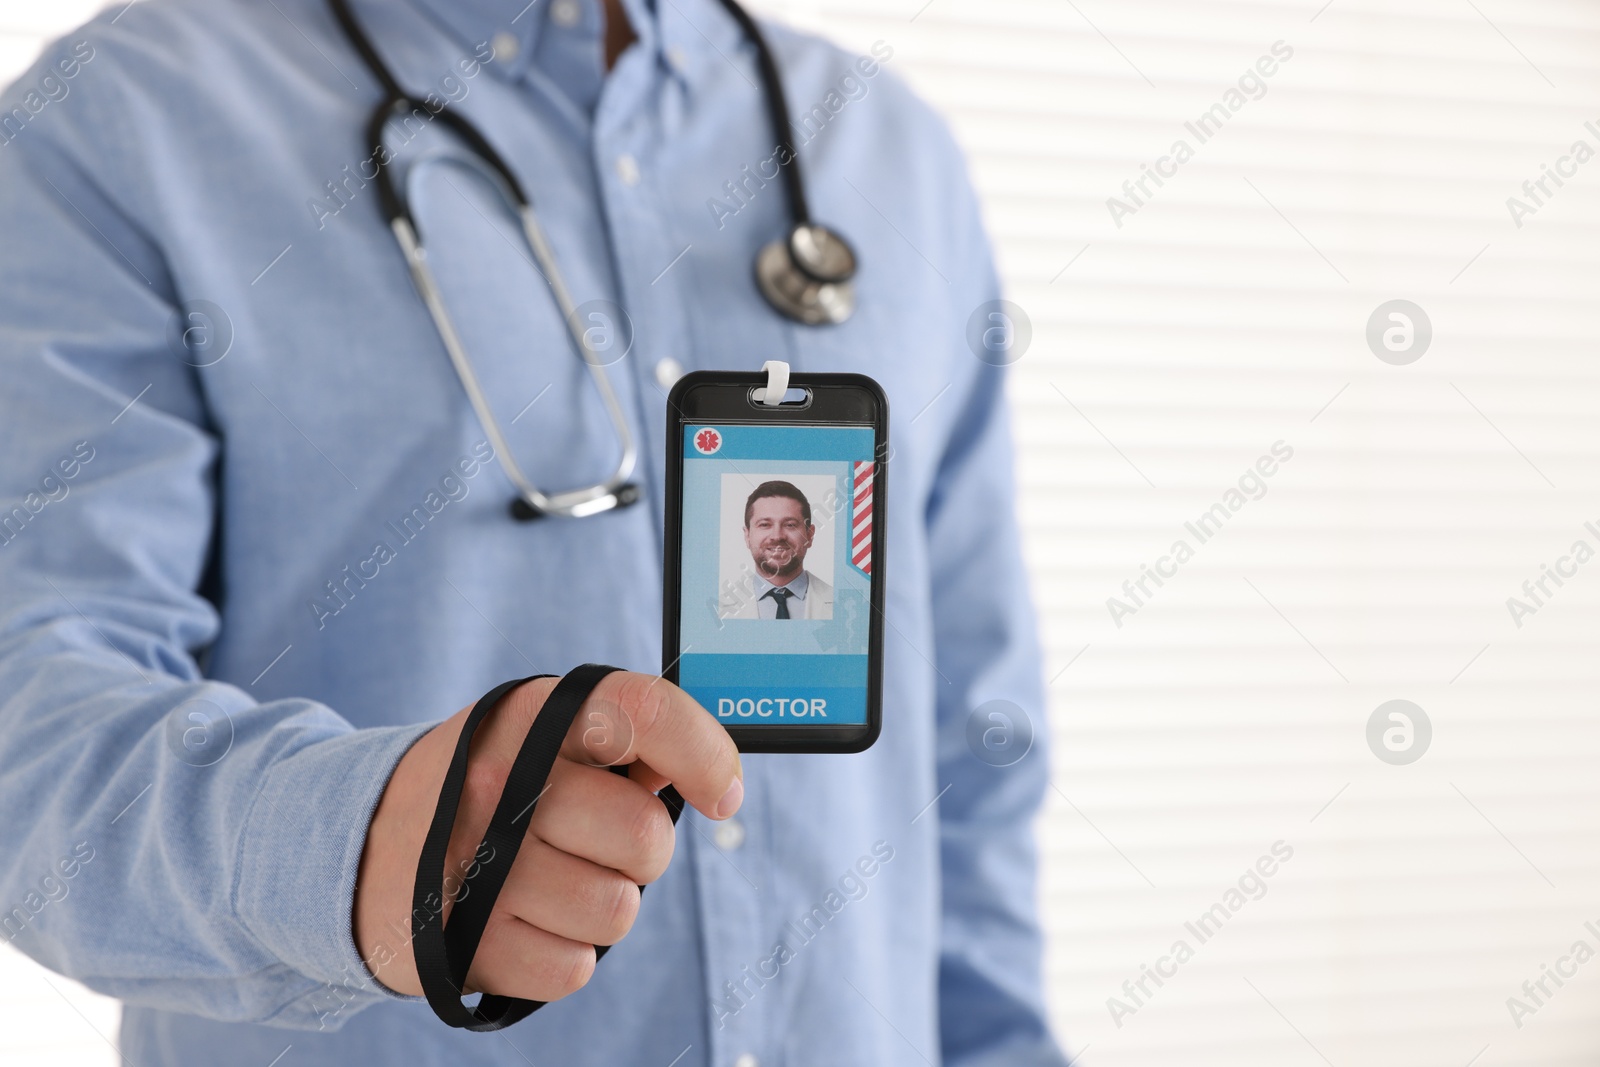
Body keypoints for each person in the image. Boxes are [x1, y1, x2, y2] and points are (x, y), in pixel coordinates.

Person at [0, 0, 1069, 1064]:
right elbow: (30, 713)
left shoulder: (890, 148)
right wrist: (368, 845)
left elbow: (971, 754)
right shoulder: (124, 117)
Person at [727, 480, 833, 621]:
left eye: (790, 525)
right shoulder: (722, 609)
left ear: (809, 535)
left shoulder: (840, 603)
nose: (777, 536)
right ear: (747, 536)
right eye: (765, 524)